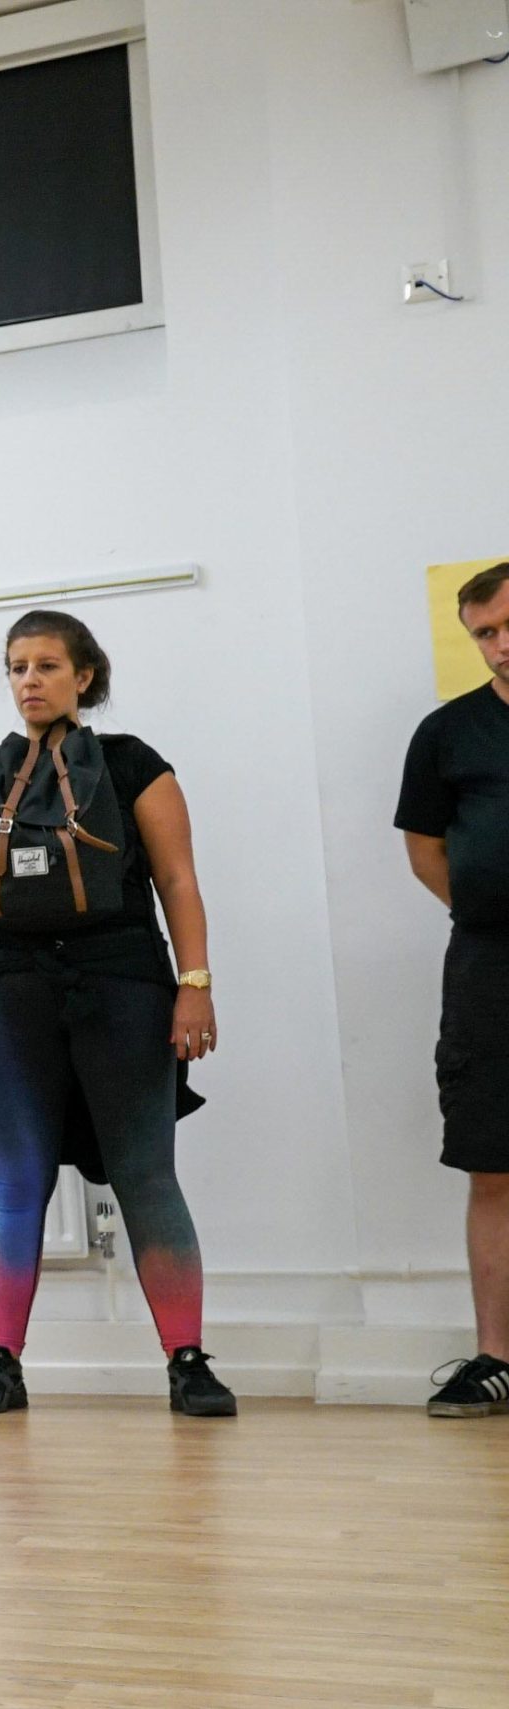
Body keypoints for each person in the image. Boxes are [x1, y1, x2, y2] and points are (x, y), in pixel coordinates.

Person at [0, 610, 236, 1418]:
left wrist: (194, 981)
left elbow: (178, 879)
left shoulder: (134, 765)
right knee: (15, 1180)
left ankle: (188, 1361)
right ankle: (0, 1361)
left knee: (146, 1175)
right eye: (18, 667)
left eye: (48, 665)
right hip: (7, 991)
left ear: (84, 676)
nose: (30, 680)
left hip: (123, 984)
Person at [396, 561, 509, 1417]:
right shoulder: (447, 733)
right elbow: (428, 851)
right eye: (484, 633)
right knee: (493, 1164)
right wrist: (485, 906)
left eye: (508, 625)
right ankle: (496, 1357)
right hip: (489, 969)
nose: (500, 646)